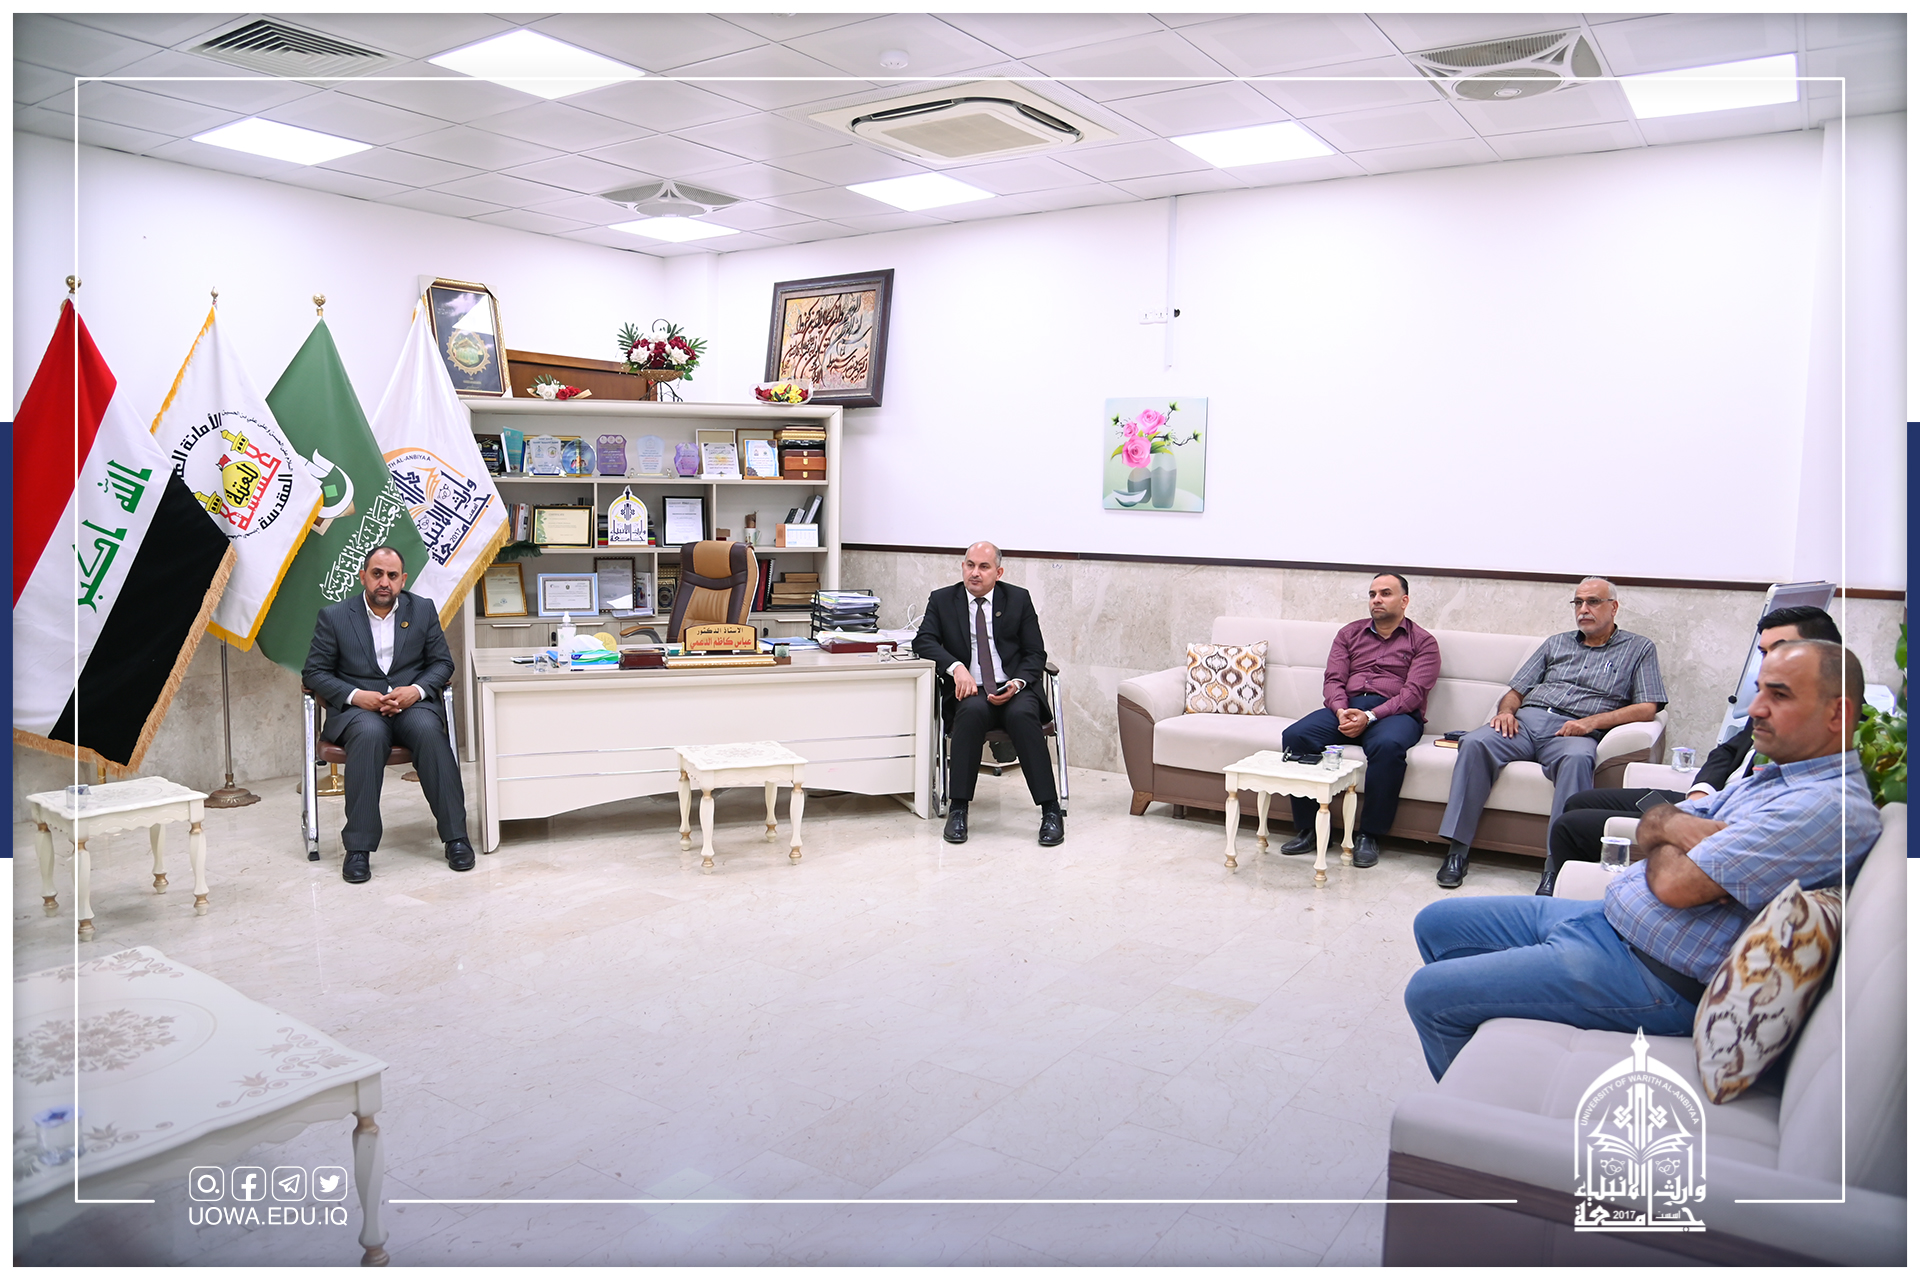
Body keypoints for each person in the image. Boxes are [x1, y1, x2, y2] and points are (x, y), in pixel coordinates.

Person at [1404, 639, 1878, 1081]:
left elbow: (1674, 882)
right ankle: (1492, 1053)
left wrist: (1669, 832)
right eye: (1759, 691)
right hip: (1608, 921)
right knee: (1437, 923)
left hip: (1654, 976)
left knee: (1429, 994)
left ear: (1837, 714)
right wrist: (1672, 827)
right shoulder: (1777, 778)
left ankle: (1483, 1118)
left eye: (1779, 695)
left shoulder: (1823, 808)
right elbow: (1658, 823)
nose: (1755, 708)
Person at [1534, 604, 1843, 895]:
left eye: (1780, 651)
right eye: (1764, 653)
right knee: (1579, 801)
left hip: (1721, 817)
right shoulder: (1772, 701)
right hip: (1707, 800)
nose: (1768, 664)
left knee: (1570, 827)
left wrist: (1696, 817)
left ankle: (1572, 891)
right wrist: (1699, 793)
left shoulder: (1825, 729)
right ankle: (1579, 885)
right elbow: (1726, 752)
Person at [1432, 577, 1665, 888]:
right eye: (1578, 602)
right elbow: (1515, 691)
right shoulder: (1556, 643)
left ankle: (1557, 865)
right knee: (1475, 742)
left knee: (1578, 760)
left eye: (1593, 602)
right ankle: (1457, 852)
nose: (1583, 609)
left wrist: (1592, 723)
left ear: (1613, 607)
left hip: (1575, 731)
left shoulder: (1638, 648)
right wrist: (1506, 712)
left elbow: (1648, 707)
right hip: (1526, 723)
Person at [303, 545, 472, 883]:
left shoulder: (421, 610)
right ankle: (358, 848)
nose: (384, 582)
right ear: (363, 576)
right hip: (359, 711)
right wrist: (356, 696)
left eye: (392, 576)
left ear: (402, 579)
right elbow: (314, 672)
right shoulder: (335, 616)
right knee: (369, 735)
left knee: (428, 731)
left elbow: (442, 663)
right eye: (377, 574)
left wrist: (416, 691)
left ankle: (456, 837)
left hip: (411, 706)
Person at [1277, 572, 1440, 868]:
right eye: (1372, 594)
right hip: (1349, 706)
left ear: (1404, 601)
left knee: (1387, 746)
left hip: (1396, 713)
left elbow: (1413, 694)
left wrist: (1371, 716)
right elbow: (1333, 679)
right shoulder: (1349, 633)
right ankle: (1311, 829)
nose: (1377, 599)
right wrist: (1341, 710)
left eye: (1386, 593)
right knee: (1296, 735)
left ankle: (1369, 835)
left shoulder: (1423, 642)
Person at [913, 541, 1063, 847]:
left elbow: (1035, 652)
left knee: (1023, 715)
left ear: (998, 572)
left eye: (984, 567)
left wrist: (1018, 683)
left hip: (1014, 687)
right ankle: (958, 809)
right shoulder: (943, 600)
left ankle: (1050, 810)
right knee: (971, 713)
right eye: (970, 565)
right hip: (971, 690)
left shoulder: (1018, 599)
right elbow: (923, 641)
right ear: (963, 567)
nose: (975, 573)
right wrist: (956, 668)